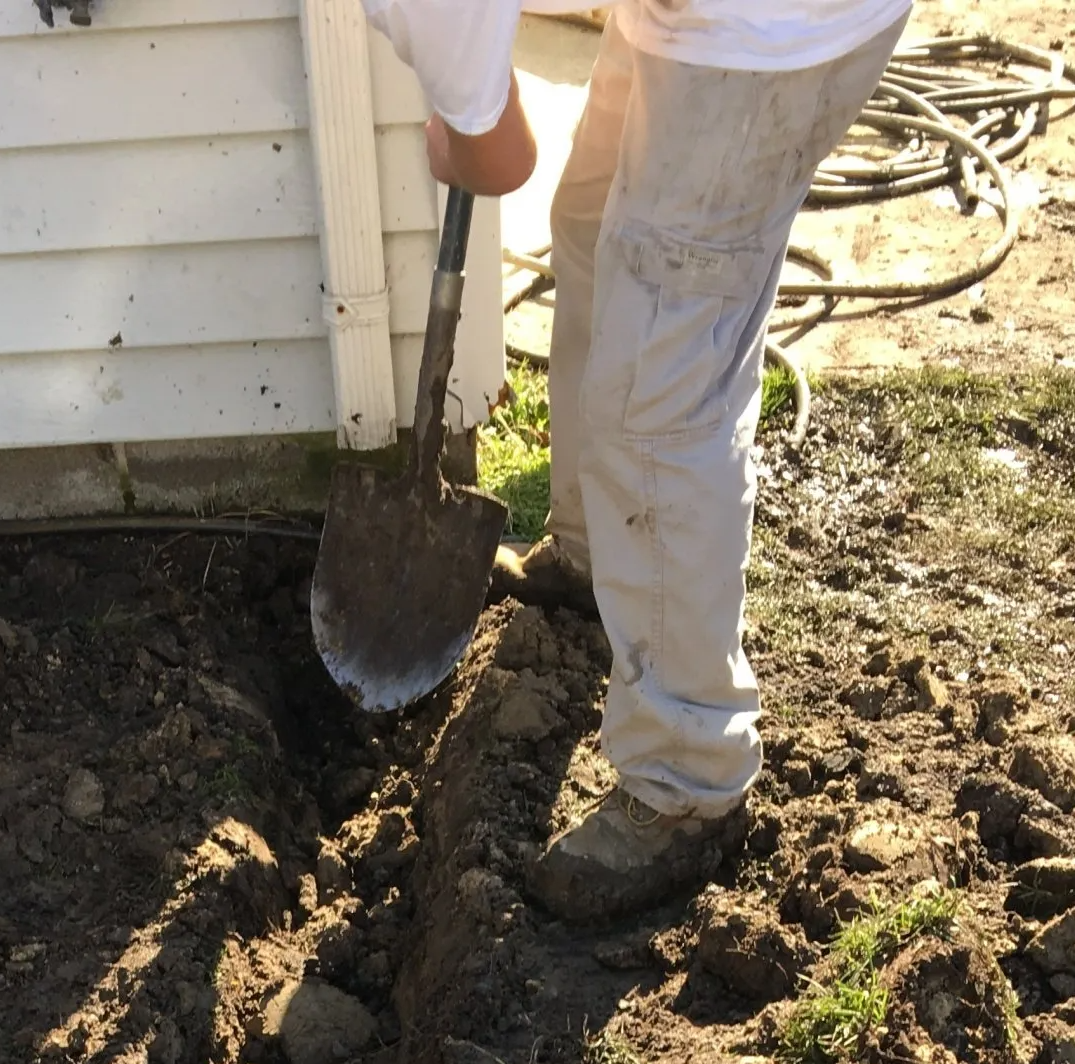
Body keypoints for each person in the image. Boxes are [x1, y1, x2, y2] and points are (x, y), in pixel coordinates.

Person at [357, 0, 908, 921]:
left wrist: (460, 133)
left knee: (657, 404)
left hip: (764, 37)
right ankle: (590, 554)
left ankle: (687, 777)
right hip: (693, 20)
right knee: (589, 219)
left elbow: (500, 158)